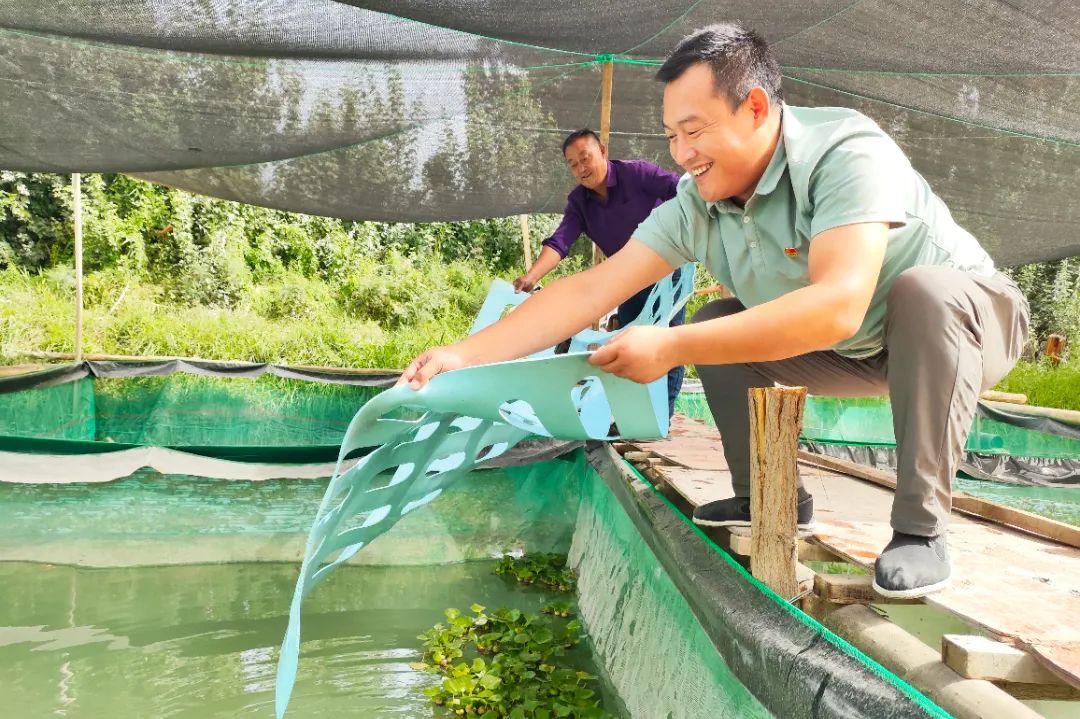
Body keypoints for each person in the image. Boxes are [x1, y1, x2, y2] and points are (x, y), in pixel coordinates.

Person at [401, 24, 1029, 599]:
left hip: (968, 326)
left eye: (695, 131)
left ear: (755, 107)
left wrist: (668, 348)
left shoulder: (845, 151)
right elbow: (590, 290)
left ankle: (921, 533)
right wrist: (462, 354)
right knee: (714, 324)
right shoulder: (695, 201)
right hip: (864, 350)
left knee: (921, 292)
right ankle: (763, 495)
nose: (681, 153)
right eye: (672, 136)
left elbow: (839, 304)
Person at [512, 129, 686, 416]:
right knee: (627, 344)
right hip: (627, 277)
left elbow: (682, 190)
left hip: (669, 266)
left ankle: (661, 418)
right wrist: (532, 276)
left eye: (585, 158)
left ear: (602, 151)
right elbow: (560, 242)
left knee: (667, 337)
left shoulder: (636, 174)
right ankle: (632, 414)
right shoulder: (579, 202)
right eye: (573, 164)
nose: (581, 168)